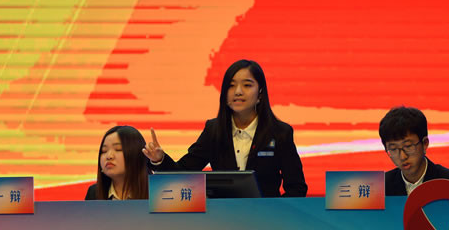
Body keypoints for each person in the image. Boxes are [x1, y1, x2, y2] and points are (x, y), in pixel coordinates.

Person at [143, 59, 308, 197]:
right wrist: (159, 159)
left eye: (247, 85)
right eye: (231, 85)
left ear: (260, 94)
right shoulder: (214, 131)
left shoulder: (280, 133)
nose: (238, 92)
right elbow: (183, 173)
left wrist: (276, 213)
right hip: (223, 220)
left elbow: (297, 187)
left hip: (266, 220)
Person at [379, 106, 449, 196]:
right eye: (393, 149)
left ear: (425, 143)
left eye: (408, 146)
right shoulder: (380, 186)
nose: (402, 157)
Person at [85, 125, 151, 200]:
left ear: (136, 154)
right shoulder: (94, 193)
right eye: (104, 151)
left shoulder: (154, 192)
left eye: (118, 149)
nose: (109, 156)